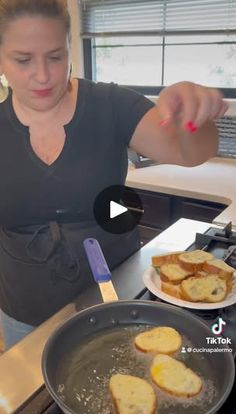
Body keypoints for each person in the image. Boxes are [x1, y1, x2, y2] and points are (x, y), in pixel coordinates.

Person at [0, 0, 228, 351]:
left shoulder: (111, 104)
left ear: (69, 48)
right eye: (23, 60)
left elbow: (192, 151)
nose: (43, 75)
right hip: (23, 314)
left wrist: (192, 114)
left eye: (56, 57)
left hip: (114, 300)